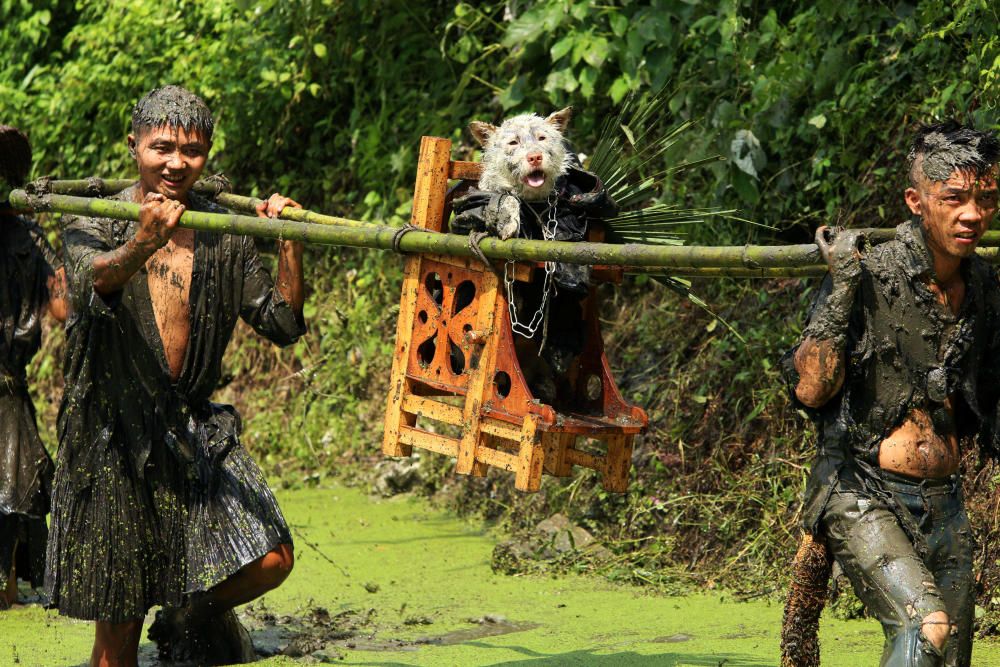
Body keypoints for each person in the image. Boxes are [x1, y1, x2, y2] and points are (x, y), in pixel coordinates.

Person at [44, 85, 306, 667]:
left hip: (192, 428)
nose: (176, 164)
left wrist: (289, 242)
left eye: (192, 151)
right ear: (134, 145)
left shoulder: (225, 231)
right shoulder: (96, 217)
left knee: (274, 557)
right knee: (115, 651)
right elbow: (92, 286)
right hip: (112, 438)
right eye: (162, 148)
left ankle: (187, 615)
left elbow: (283, 323)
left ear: (207, 154)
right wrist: (143, 241)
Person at [783, 120, 1000, 666]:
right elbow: (811, 389)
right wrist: (841, 288)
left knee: (949, 657)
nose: (972, 214)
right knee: (925, 627)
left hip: (945, 501)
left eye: (987, 199)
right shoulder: (871, 272)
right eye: (953, 199)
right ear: (916, 201)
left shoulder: (984, 288)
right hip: (862, 489)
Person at [0, 125, 68, 609]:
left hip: (7, 391)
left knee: (15, 500)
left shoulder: (28, 238)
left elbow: (63, 307)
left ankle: (9, 591)